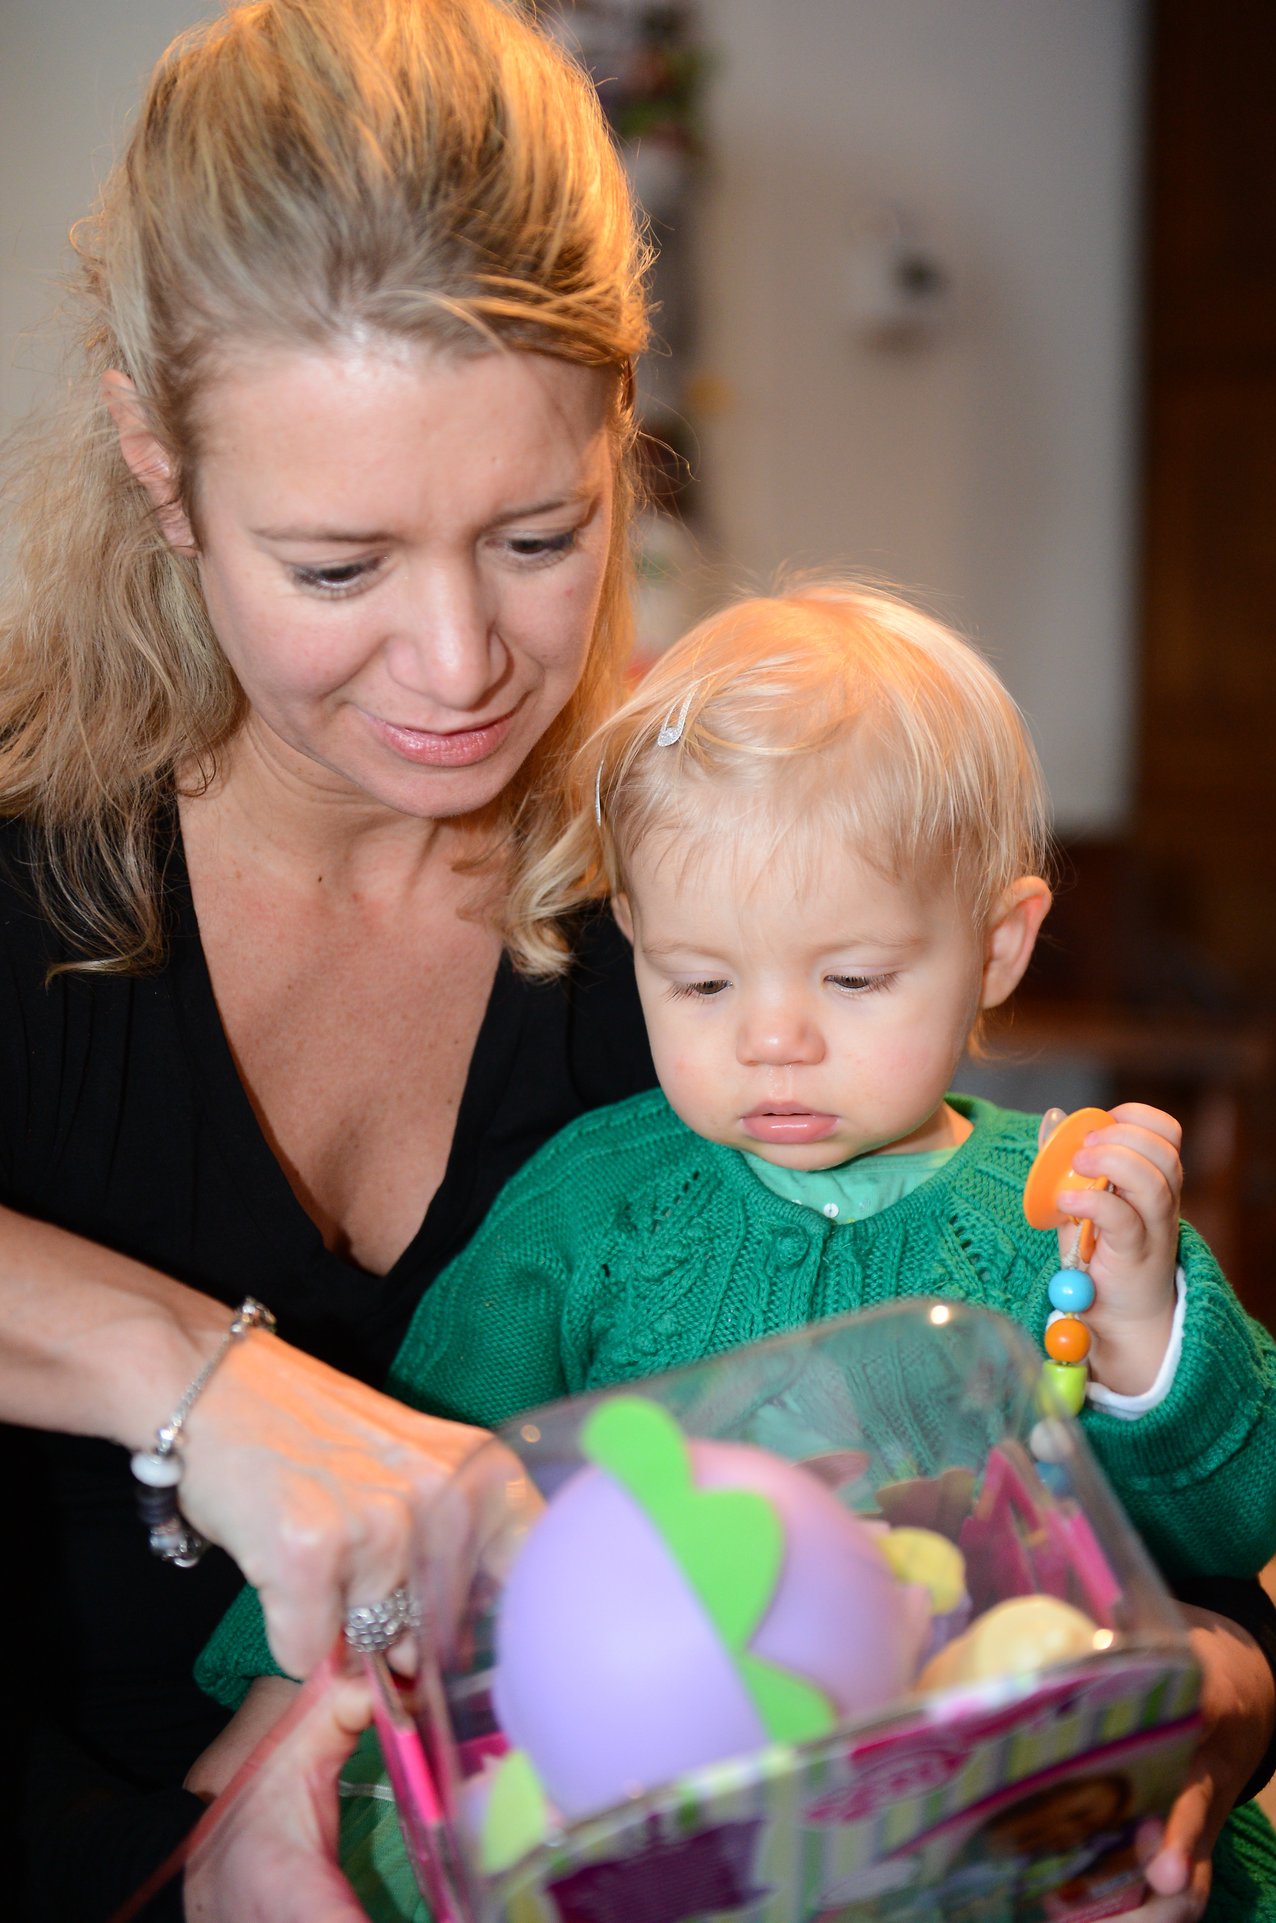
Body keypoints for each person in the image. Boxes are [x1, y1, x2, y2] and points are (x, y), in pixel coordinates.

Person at [196, 584, 1276, 1922]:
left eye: (852, 980)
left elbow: (1235, 1525)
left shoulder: (1059, 1218)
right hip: (653, 1802)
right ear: (637, 945)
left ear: (998, 947)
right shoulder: (593, 1205)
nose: (774, 1039)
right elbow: (402, 1461)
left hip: (966, 1810)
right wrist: (282, 1708)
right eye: (703, 983)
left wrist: (1144, 1330)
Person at [0, 1, 664, 1916]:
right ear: (157, 460)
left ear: (620, 424)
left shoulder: (711, 908)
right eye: (340, 569)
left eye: (538, 533)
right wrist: (198, 1385)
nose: (458, 668)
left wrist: (1215, 1686)